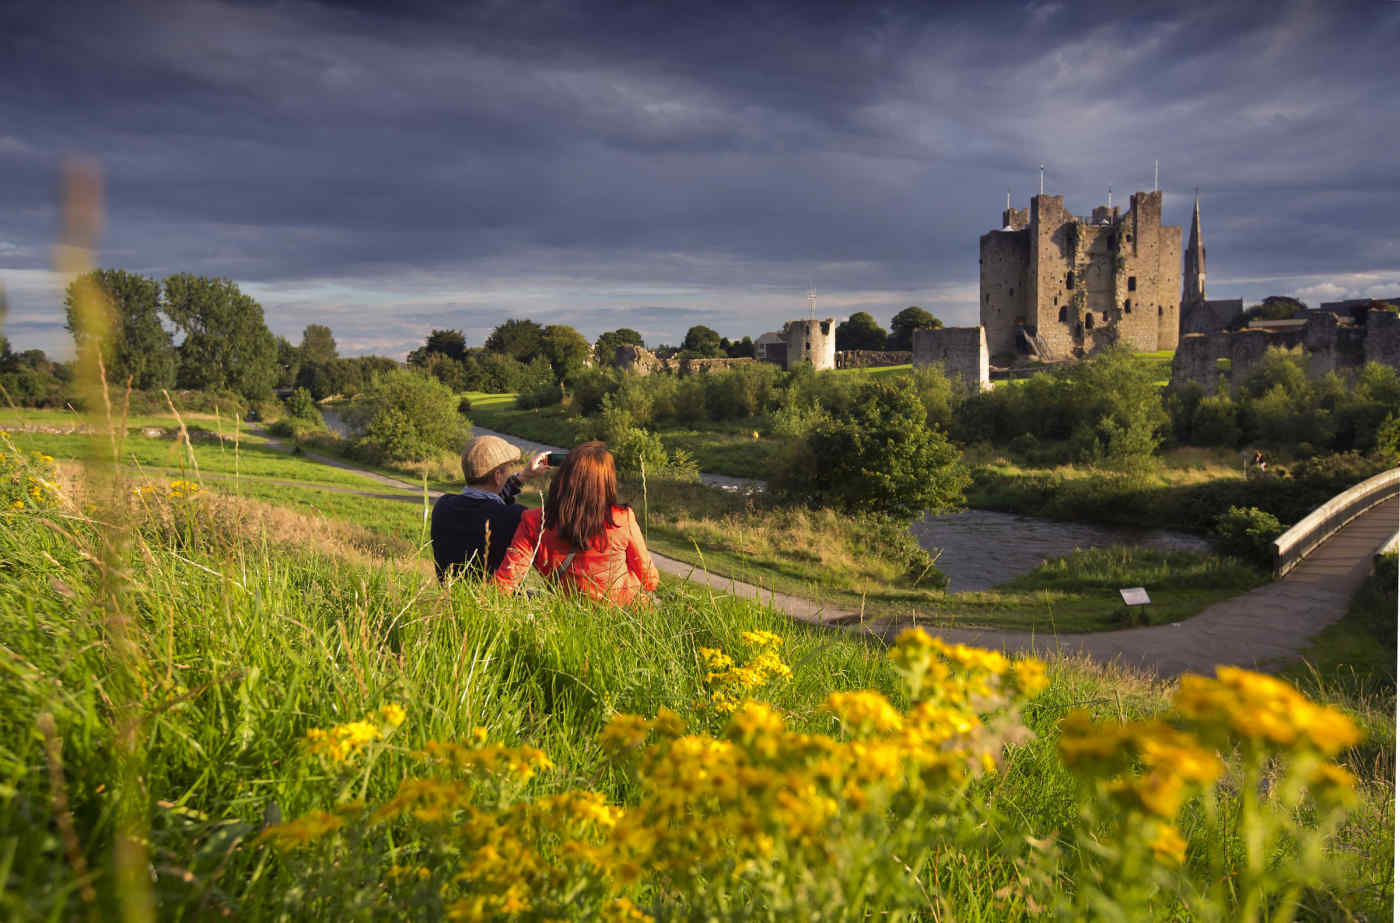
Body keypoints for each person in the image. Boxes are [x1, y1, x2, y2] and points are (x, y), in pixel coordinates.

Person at [494, 441, 659, 605]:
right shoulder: (622, 518)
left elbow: (505, 582)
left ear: (562, 477)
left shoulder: (533, 521)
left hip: (571, 616)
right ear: (607, 482)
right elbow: (649, 580)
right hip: (625, 613)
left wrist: (524, 475)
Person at [430, 435, 551, 581]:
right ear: (498, 476)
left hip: (450, 596)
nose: (509, 473)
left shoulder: (443, 506)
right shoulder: (514, 517)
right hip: (496, 600)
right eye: (508, 470)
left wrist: (523, 476)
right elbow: (496, 510)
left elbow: (487, 504)